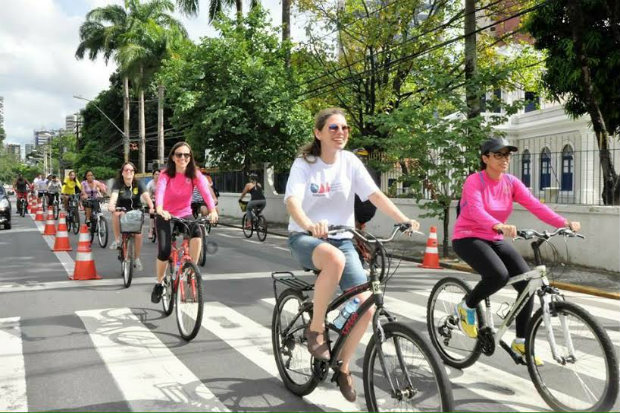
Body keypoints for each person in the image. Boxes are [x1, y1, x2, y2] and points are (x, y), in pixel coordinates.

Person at [284, 108, 420, 402]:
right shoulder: (304, 164)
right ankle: (316, 329)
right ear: (318, 133)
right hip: (306, 238)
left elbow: (374, 195)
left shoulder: (350, 162)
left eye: (344, 127)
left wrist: (402, 218)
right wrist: (309, 225)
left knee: (366, 306)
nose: (340, 132)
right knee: (334, 259)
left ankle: (343, 368)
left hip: (344, 239)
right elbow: (292, 201)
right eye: (333, 127)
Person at [452, 137, 581, 363]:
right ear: (485, 158)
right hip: (468, 236)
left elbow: (535, 205)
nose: (504, 159)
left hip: (494, 236)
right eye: (498, 155)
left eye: (507, 155)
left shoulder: (511, 182)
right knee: (498, 275)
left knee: (527, 285)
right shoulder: (475, 181)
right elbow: (475, 210)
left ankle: (521, 342)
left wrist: (563, 222)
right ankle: (467, 306)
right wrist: (498, 224)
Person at [151, 142, 218, 304]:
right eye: (179, 154)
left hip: (184, 214)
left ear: (190, 157)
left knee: (197, 230)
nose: (183, 158)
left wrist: (212, 210)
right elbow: (159, 192)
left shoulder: (194, 173)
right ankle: (159, 282)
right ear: (173, 157)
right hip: (165, 215)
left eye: (186, 155)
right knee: (165, 251)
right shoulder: (166, 174)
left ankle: (191, 270)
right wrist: (159, 208)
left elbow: (205, 192)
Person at [107, 162, 154, 271]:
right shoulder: (118, 183)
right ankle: (118, 240)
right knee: (115, 214)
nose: (129, 172)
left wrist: (151, 207)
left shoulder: (139, 183)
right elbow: (114, 196)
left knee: (138, 235)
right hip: (121, 209)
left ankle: (137, 258)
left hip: (136, 210)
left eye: (131, 170)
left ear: (134, 173)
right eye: (126, 170)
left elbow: (146, 197)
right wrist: (111, 205)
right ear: (122, 172)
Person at [146, 169, 160, 239]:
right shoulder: (150, 183)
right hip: (152, 201)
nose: (157, 176)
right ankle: (151, 231)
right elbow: (147, 193)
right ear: (153, 176)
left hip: (160, 202)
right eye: (156, 174)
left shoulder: (162, 183)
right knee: (152, 215)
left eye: (158, 174)